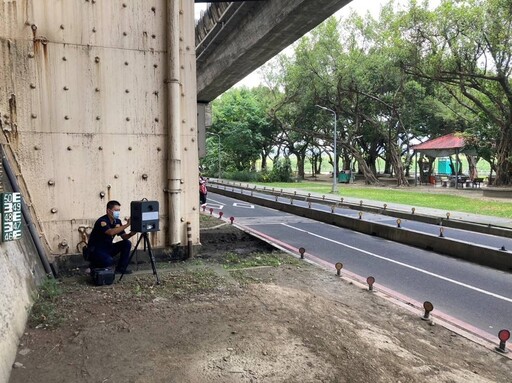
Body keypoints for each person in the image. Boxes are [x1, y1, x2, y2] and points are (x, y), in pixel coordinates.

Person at [88, 200, 136, 274]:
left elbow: (124, 237)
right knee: (109, 261)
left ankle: (121, 268)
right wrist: (127, 225)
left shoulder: (117, 221)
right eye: (116, 210)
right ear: (108, 211)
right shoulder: (102, 221)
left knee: (127, 243)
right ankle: (94, 266)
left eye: (119, 210)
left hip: (108, 247)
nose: (118, 212)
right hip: (97, 249)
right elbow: (111, 232)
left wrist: (131, 234)